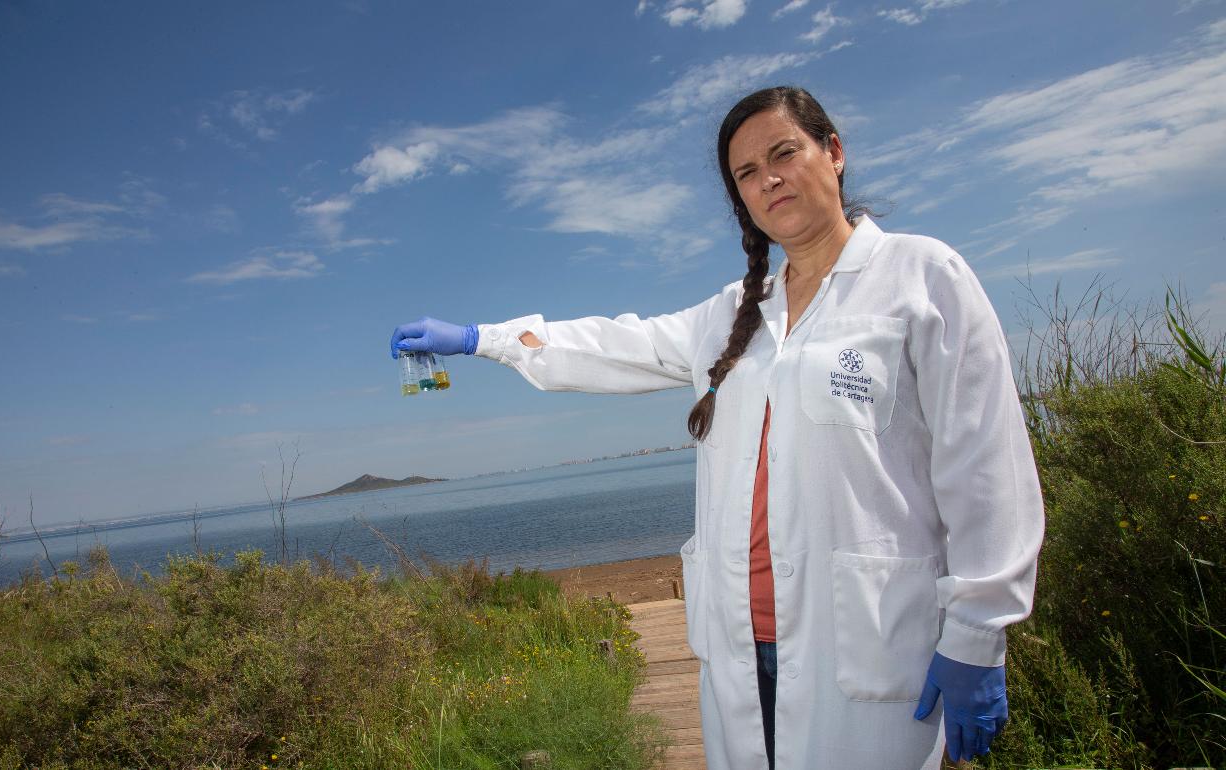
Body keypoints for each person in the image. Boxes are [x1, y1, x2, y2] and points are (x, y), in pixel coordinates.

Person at [390, 86, 1044, 770]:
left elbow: (984, 466)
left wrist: (977, 633)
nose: (769, 180)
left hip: (869, 645)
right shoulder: (734, 312)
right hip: (739, 649)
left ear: (834, 152)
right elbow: (618, 344)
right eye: (747, 173)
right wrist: (482, 339)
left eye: (784, 153)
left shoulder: (922, 277)